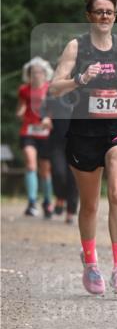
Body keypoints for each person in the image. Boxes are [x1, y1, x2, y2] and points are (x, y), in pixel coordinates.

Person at [49, 0, 117, 296]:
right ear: (89, 15)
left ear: (115, 16)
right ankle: (91, 262)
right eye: (99, 11)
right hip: (84, 131)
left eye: (109, 12)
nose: (104, 16)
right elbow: (55, 88)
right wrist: (80, 79)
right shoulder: (76, 48)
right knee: (90, 204)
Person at [16, 57, 54, 217]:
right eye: (33, 72)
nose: (36, 75)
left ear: (45, 74)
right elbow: (21, 107)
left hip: (45, 133)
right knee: (31, 165)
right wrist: (20, 112)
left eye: (39, 72)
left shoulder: (51, 89)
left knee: (45, 171)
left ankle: (47, 201)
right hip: (28, 131)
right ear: (29, 74)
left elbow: (56, 109)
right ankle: (32, 202)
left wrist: (48, 118)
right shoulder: (24, 90)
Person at [44, 90, 79, 224]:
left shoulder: (83, 88)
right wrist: (46, 118)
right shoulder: (53, 91)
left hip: (77, 141)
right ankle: (60, 197)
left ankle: (70, 211)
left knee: (73, 177)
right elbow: (45, 110)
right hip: (57, 141)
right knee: (58, 173)